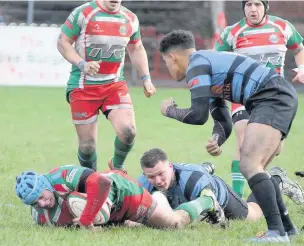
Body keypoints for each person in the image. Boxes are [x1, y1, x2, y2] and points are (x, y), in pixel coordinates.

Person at [158, 29, 298, 243]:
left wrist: (169, 111)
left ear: (172, 56)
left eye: (165, 62)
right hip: (275, 95)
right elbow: (222, 121)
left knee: (249, 165)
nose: (168, 68)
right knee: (257, 167)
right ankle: (287, 229)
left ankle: (276, 233)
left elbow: (198, 115)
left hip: (271, 96)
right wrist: (218, 138)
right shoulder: (205, 65)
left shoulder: (197, 64)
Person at [214, 0, 304, 199]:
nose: (252, 9)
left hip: (275, 97)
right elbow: (216, 60)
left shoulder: (282, 27)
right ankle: (238, 197)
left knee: (273, 148)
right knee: (244, 142)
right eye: (248, 5)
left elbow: (299, 49)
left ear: (266, 6)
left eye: (257, 4)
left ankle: (268, 183)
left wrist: (302, 68)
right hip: (243, 96)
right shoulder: (233, 32)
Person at [57, 0, 156, 172]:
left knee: (128, 131)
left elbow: (137, 48)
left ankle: (116, 167)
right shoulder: (83, 13)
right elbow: (63, 43)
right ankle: (92, 179)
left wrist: (146, 78)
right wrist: (82, 64)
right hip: (83, 87)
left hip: (114, 85)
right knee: (87, 146)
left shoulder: (130, 18)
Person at [137, 148, 301, 234]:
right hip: (193, 188)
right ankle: (206, 168)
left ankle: (277, 179)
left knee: (253, 214)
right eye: (151, 176)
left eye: (161, 174)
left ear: (170, 166)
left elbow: (208, 203)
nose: (157, 180)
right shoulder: (142, 183)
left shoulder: (193, 180)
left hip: (218, 195)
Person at [15, 165, 226, 229]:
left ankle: (207, 200)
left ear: (45, 184)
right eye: (35, 203)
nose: (42, 203)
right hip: (110, 207)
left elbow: (102, 183)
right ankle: (159, 195)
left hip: (121, 193)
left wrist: (87, 219)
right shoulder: (41, 216)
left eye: (42, 197)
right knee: (135, 228)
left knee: (173, 224)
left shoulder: (61, 176)